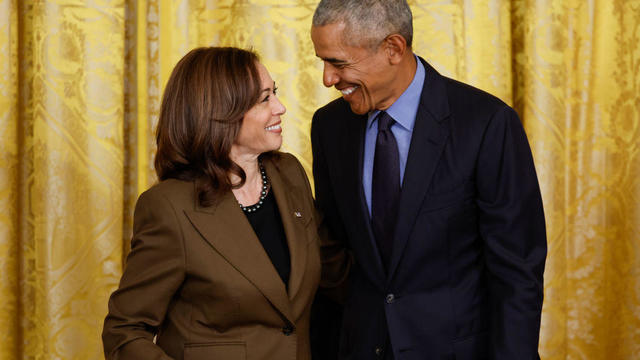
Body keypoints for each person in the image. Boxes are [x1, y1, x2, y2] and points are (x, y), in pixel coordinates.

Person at [309, 1, 547, 359]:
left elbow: (517, 273)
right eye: (323, 62)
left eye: (339, 63)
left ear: (393, 48)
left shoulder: (485, 124)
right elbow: (335, 256)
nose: (327, 78)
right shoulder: (329, 126)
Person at [102, 47, 326, 360]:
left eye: (274, 92)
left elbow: (325, 277)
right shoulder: (168, 207)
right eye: (264, 99)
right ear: (221, 111)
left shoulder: (289, 173)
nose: (281, 107)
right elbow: (124, 332)